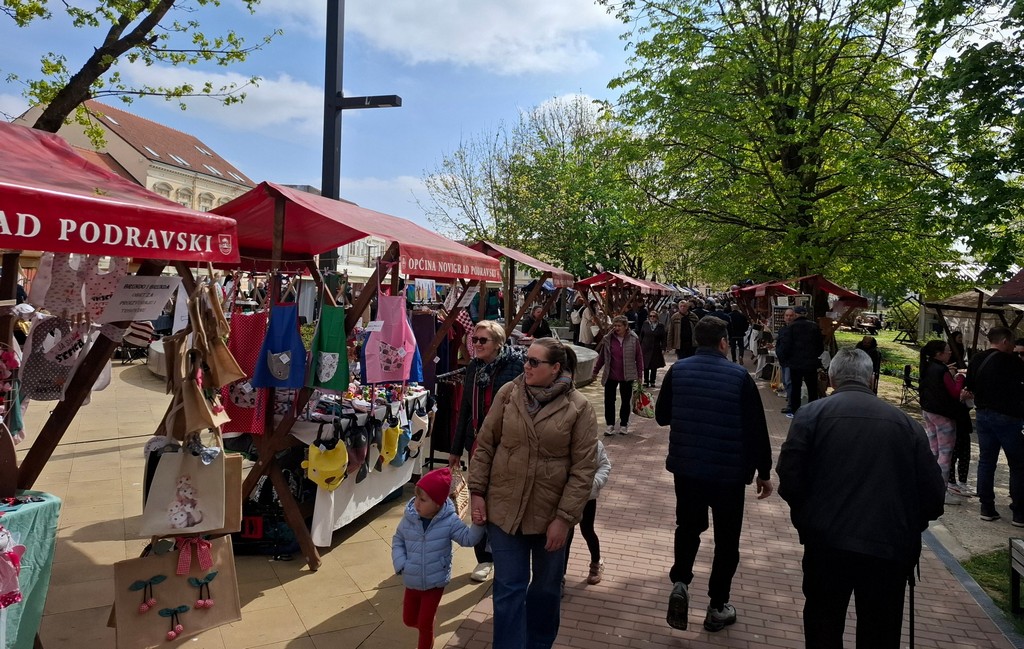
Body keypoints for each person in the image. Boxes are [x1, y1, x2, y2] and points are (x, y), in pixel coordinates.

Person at [777, 348, 945, 649]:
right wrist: (908, 526)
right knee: (880, 631)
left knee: (823, 625)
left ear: (831, 378)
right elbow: (933, 494)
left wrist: (808, 519)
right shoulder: (906, 424)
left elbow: (789, 478)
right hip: (888, 546)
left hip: (826, 541)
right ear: (871, 379)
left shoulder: (810, 415)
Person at [468, 338, 598, 649]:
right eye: (526, 359)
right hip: (505, 509)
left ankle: (539, 644)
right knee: (509, 588)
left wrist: (564, 519)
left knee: (545, 590)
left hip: (550, 516)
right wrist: (477, 492)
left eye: (534, 362)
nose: (525, 365)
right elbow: (485, 445)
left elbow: (583, 470)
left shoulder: (579, 407)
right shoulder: (508, 394)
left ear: (555, 368)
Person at [654, 316, 773, 633]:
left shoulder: (678, 371)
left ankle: (681, 582)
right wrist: (764, 472)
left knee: (688, 527)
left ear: (696, 341)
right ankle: (717, 606)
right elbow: (757, 429)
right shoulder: (739, 377)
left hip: (687, 469)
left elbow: (662, 417)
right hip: (728, 474)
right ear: (723, 343)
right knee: (726, 541)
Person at [450, 320, 525, 583]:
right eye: (475, 339)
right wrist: (455, 448)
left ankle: (504, 555)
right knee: (478, 499)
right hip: (477, 445)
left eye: (483, 340)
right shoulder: (473, 367)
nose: (477, 344)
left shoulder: (516, 366)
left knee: (501, 501)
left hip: (506, 446)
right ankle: (484, 558)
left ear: (498, 343)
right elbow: (465, 409)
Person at [393, 467, 486, 649]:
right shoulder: (410, 518)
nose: (417, 503)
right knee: (409, 620)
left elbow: (468, 539)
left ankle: (426, 635)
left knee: (425, 624)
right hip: (412, 579)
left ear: (437, 503)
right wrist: (401, 563)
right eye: (416, 497)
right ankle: (427, 624)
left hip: (435, 582)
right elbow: (398, 540)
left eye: (423, 500)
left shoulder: (450, 521)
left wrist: (478, 525)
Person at [964, 326, 1024, 524]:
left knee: (986, 461)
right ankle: (1019, 511)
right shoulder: (1011, 361)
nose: (1014, 346)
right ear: (1005, 341)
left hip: (982, 414)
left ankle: (986, 507)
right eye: (1012, 342)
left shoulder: (976, 359)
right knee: (1018, 463)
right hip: (1007, 416)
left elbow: (970, 386)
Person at [919, 340, 966, 505]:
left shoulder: (927, 366)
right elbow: (955, 392)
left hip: (928, 411)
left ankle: (928, 487)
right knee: (945, 454)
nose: (950, 353)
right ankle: (941, 492)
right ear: (938, 354)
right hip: (943, 415)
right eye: (947, 351)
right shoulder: (941, 370)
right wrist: (960, 377)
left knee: (934, 451)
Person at [564, 439, 611, 590]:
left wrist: (594, 483)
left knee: (587, 530)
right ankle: (560, 575)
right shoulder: (563, 440)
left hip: (587, 497)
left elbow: (604, 465)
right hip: (565, 496)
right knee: (566, 534)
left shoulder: (594, 443)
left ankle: (596, 562)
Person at [594, 315, 644, 436]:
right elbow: (602, 357)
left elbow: (639, 357)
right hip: (611, 375)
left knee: (626, 401)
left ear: (626, 326)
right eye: (615, 325)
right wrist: (595, 371)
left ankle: (623, 424)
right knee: (609, 401)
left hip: (627, 375)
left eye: (619, 326)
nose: (616, 328)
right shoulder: (608, 339)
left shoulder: (633, 339)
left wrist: (640, 375)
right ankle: (610, 425)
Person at [775, 305, 824, 417]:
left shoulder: (791, 327)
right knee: (812, 388)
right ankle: (812, 410)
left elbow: (786, 346)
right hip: (810, 363)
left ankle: (795, 411)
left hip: (795, 364)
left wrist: (787, 358)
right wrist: (813, 355)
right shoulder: (814, 326)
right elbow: (820, 347)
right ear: (806, 314)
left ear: (795, 315)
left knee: (795, 388)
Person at [638, 310, 666, 387]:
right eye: (650, 316)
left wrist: (663, 348)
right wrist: (638, 346)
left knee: (654, 365)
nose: (652, 317)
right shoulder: (645, 324)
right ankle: (646, 381)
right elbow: (641, 335)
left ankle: (652, 381)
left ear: (657, 317)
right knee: (646, 365)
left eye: (654, 316)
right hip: (645, 347)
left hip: (655, 348)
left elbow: (663, 338)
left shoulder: (660, 326)